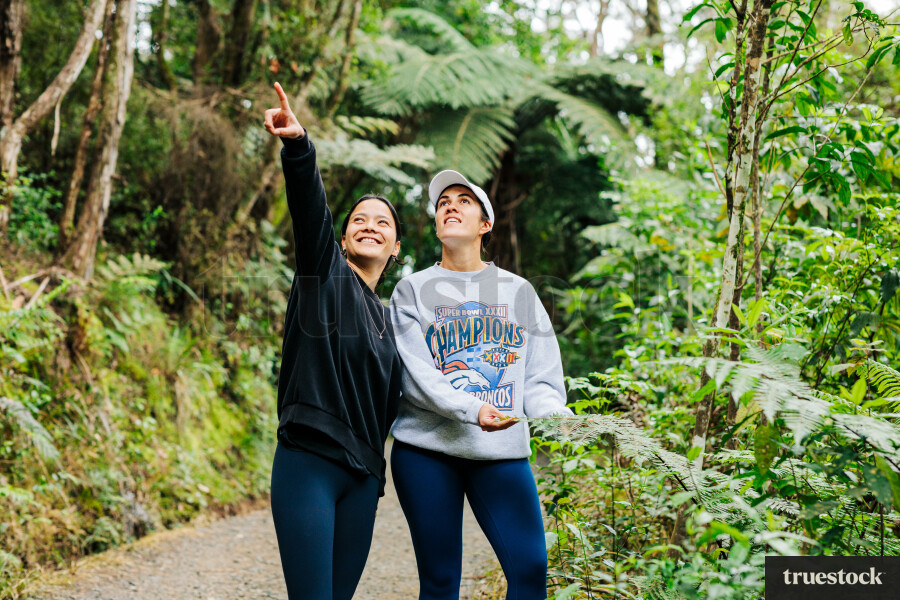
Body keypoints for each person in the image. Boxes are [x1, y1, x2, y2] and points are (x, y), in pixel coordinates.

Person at [389, 170, 574, 600]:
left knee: (530, 570)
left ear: (485, 225)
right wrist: (472, 410)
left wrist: (554, 414)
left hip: (501, 451)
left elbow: (540, 377)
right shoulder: (411, 290)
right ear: (437, 224)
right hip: (427, 452)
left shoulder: (519, 291)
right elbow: (416, 377)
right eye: (442, 203)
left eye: (463, 201)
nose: (450, 206)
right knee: (439, 581)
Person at [263, 82, 403, 600]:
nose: (370, 225)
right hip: (309, 461)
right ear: (342, 239)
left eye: (382, 222)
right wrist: (298, 146)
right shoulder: (323, 273)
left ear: (394, 248)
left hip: (364, 478)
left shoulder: (392, 323)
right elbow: (309, 208)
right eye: (358, 220)